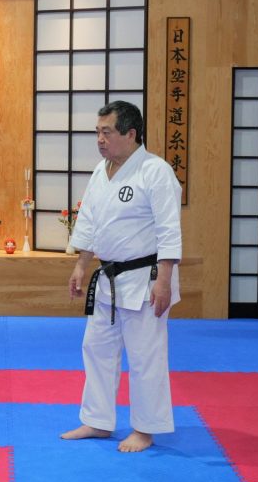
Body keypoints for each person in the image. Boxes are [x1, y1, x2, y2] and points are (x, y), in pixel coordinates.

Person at [62, 100, 182, 453]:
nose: (100, 139)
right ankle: (97, 420)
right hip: (108, 279)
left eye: (107, 132)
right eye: (97, 132)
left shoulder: (155, 171)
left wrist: (164, 280)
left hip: (146, 278)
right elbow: (89, 221)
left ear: (131, 134)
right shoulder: (102, 171)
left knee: (145, 356)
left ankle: (145, 428)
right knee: (96, 348)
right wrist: (82, 265)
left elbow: (168, 228)